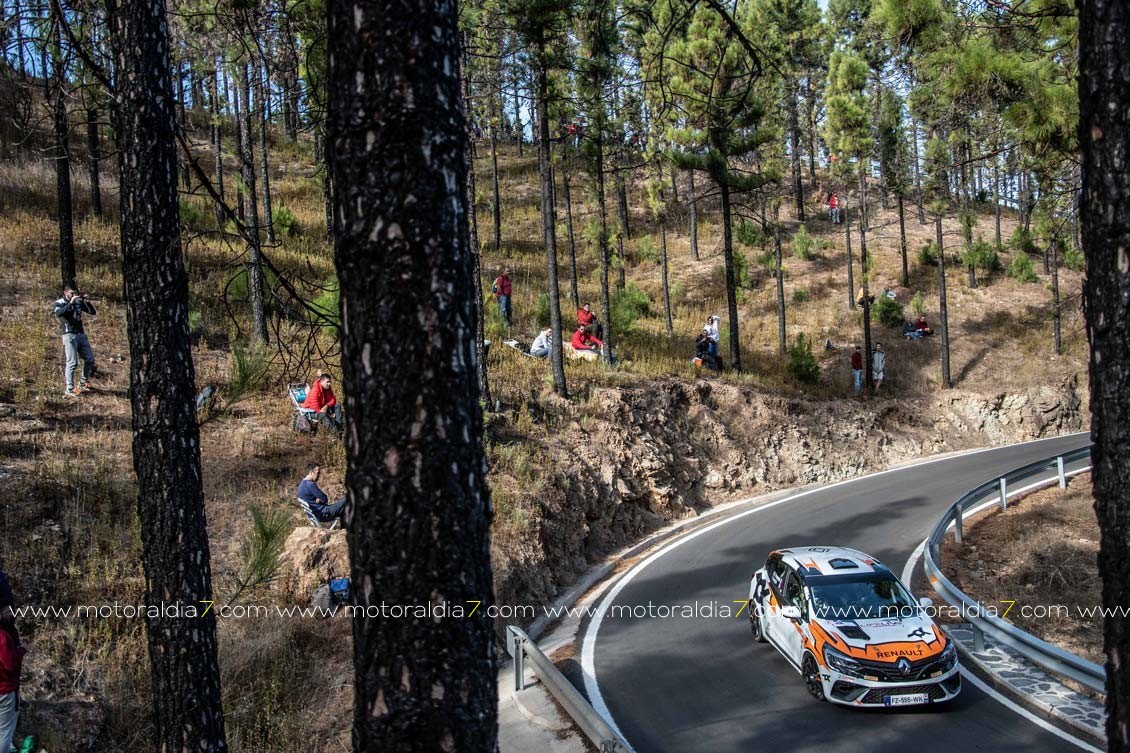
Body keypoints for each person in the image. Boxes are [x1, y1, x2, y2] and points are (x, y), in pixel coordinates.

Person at [53, 285, 98, 397]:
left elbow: (92, 312)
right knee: (72, 362)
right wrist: (71, 303)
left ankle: (83, 383)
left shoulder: (77, 302)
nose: (73, 295)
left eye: (74, 293)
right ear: (65, 293)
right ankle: (69, 388)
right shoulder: (60, 303)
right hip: (69, 335)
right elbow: (59, 313)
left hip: (81, 334)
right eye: (71, 293)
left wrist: (86, 302)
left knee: (90, 359)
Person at [0, 584, 23, 753]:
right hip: (6, 690)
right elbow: (9, 663)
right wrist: (21, 651)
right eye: (9, 610)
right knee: (4, 733)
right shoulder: (4, 636)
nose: (12, 613)